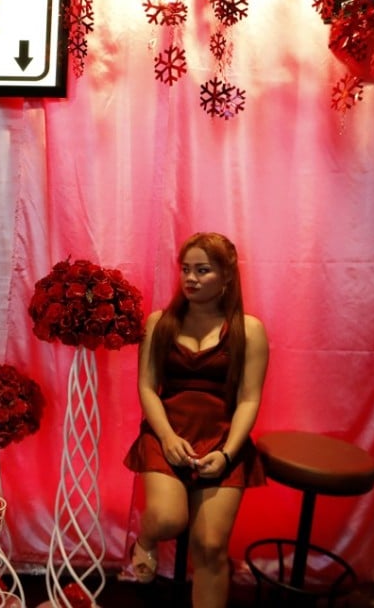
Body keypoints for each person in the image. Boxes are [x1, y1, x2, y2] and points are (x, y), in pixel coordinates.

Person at [123, 232, 269, 608]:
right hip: (166, 432)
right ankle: (145, 541)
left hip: (221, 438)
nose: (191, 278)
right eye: (186, 269)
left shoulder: (248, 330)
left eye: (202, 270)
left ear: (226, 276)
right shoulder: (160, 322)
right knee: (169, 519)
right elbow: (146, 387)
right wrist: (167, 437)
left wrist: (228, 452)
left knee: (210, 546)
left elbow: (249, 399)